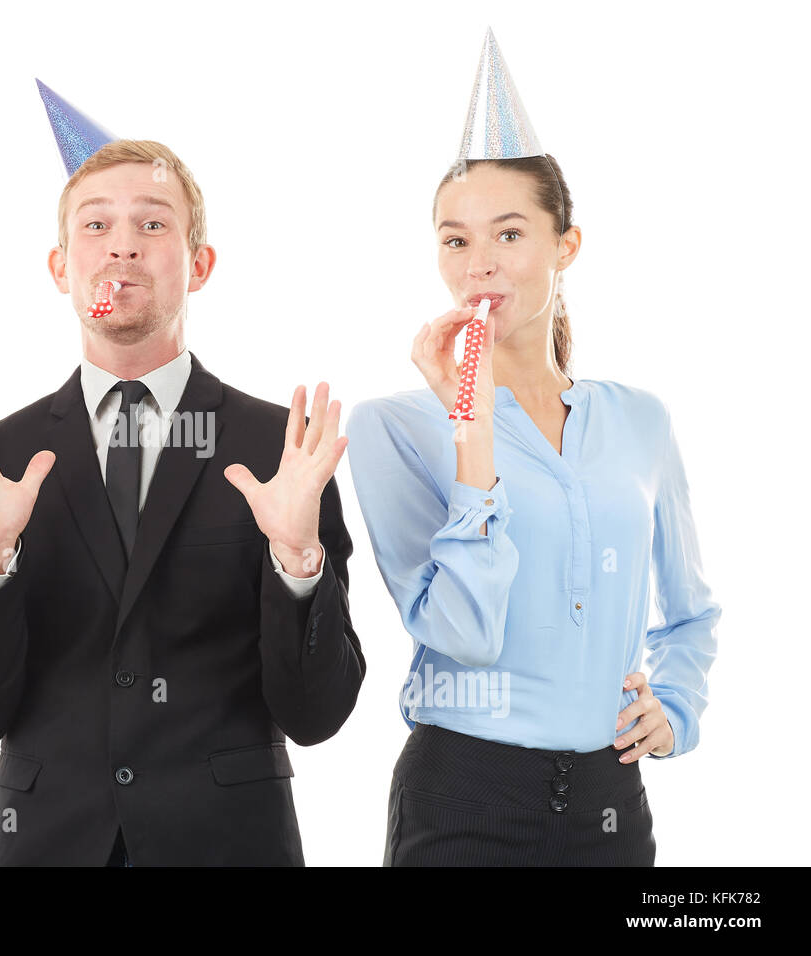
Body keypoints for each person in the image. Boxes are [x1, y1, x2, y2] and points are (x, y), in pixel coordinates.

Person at [0, 83, 364, 866]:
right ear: (61, 266)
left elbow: (318, 714)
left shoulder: (279, 448)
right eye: (96, 225)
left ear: (200, 263)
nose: (121, 246)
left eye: (152, 225)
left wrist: (299, 562)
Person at [345, 32, 720, 866]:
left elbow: (690, 613)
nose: (480, 265)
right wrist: (471, 432)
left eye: (509, 234)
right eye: (455, 240)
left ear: (566, 246)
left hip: (610, 802)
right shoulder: (392, 427)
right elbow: (462, 636)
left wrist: (677, 710)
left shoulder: (642, 422)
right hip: (461, 797)